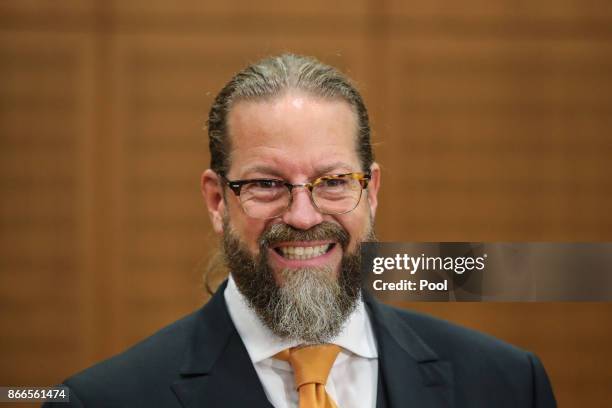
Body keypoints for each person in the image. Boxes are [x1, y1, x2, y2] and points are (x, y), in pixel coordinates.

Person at [44, 54, 556, 407]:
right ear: (217, 200)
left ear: (371, 190)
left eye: (333, 181)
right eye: (267, 183)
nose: (305, 216)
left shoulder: (507, 386)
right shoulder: (102, 402)